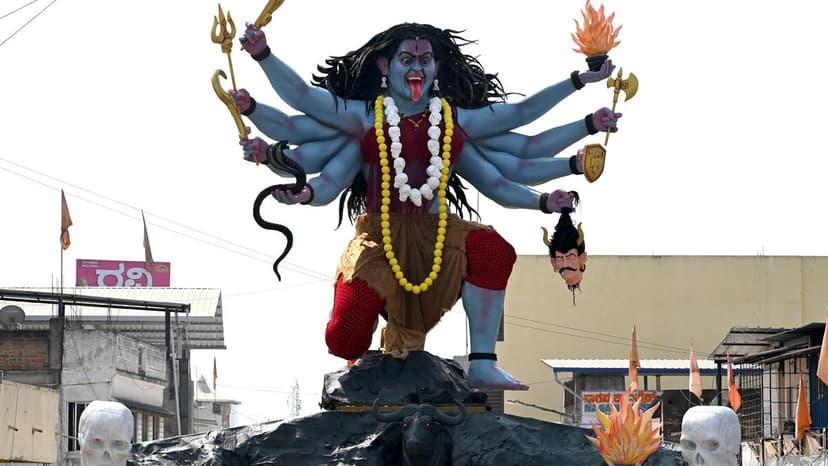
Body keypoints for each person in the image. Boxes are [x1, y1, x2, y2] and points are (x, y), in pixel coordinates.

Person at [234, 22, 620, 391]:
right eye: (407, 59)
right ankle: (368, 355)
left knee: (493, 250)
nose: (416, 68)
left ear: (437, 68)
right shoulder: (364, 119)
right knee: (345, 338)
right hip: (379, 242)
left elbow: (515, 151)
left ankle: (482, 361)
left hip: (438, 239)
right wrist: (262, 55)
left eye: (425, 60)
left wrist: (579, 104)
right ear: (384, 66)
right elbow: (306, 114)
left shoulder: (450, 123)